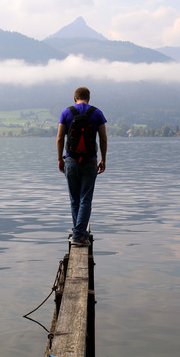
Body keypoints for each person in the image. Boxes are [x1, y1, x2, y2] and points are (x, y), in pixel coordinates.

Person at [57, 87, 107, 246]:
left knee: (74, 199)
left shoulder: (66, 112)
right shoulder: (97, 113)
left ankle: (78, 232)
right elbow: (103, 139)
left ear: (74, 98)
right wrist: (103, 159)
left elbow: (59, 138)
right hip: (90, 160)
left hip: (71, 160)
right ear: (89, 98)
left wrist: (60, 159)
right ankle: (79, 234)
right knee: (85, 198)